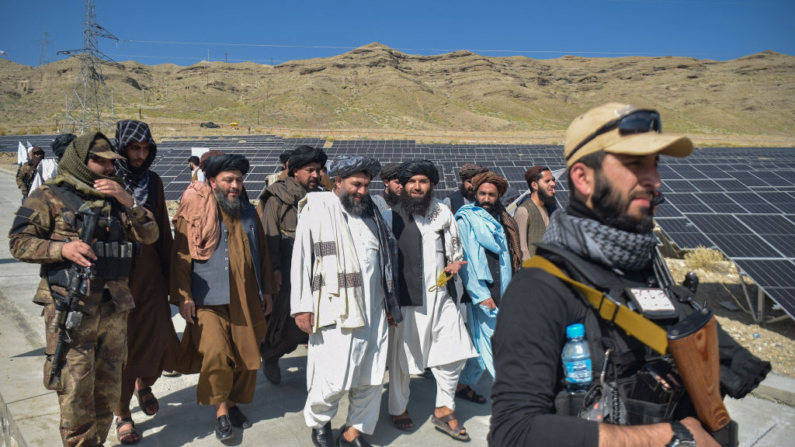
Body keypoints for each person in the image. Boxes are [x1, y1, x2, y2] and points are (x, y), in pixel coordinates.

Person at [489, 103, 771, 447]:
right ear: (582, 178)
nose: (655, 180)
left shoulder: (646, 264)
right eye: (636, 164)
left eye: (655, 165)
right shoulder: (539, 288)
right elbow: (513, 434)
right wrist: (674, 437)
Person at [9, 132, 158, 447]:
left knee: (108, 392)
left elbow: (149, 235)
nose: (106, 168)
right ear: (79, 161)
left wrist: (129, 202)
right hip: (72, 309)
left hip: (114, 310)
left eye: (109, 162)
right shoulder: (49, 195)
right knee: (76, 394)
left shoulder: (116, 199)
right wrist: (62, 250)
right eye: (98, 161)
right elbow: (18, 241)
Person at [291, 155, 403, 447]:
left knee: (372, 374)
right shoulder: (317, 208)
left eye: (366, 185)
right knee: (334, 374)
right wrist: (301, 307)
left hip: (374, 308)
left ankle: (354, 430)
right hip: (335, 307)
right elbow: (301, 258)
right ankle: (320, 422)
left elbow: (386, 261)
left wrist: (391, 305)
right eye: (356, 184)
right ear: (338, 182)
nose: (362, 191)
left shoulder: (374, 211)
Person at [170, 153, 277, 441]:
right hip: (208, 298)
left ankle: (231, 403)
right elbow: (180, 257)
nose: (235, 185)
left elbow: (262, 255)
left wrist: (266, 290)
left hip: (246, 298)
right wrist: (183, 296)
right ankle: (220, 412)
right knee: (216, 353)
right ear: (213, 180)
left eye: (239, 180)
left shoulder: (248, 211)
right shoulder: (195, 208)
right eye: (228, 179)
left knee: (246, 354)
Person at [385, 160, 478, 441]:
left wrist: (454, 264)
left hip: (442, 296)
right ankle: (398, 408)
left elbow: (455, 248)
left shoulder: (443, 212)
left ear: (432, 185)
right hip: (407, 300)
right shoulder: (392, 216)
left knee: (454, 352)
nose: (416, 186)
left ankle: (444, 409)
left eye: (422, 181)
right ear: (403, 186)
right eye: (411, 181)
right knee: (404, 358)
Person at [111, 120, 180, 444]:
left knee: (158, 336)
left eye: (145, 149)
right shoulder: (107, 180)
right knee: (121, 344)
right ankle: (122, 411)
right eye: (133, 148)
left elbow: (163, 229)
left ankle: (144, 382)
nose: (139, 155)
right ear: (121, 148)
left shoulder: (153, 181)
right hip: (118, 276)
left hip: (150, 272)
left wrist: (171, 276)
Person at [256, 145, 327, 384]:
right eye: (310, 170)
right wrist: (274, 269)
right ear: (295, 171)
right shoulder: (278, 197)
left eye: (319, 170)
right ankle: (272, 357)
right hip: (286, 273)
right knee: (285, 325)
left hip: (317, 272)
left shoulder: (324, 197)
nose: (316, 175)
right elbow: (269, 235)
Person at [454, 171, 522, 402]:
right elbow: (467, 263)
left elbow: (509, 258)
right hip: (485, 294)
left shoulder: (504, 219)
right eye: (481, 193)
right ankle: (512, 398)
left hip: (505, 290)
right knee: (496, 346)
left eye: (491, 195)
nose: (485, 199)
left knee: (482, 346)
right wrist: (481, 294)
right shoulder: (465, 219)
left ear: (499, 195)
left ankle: (463, 386)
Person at [515, 165, 557, 260]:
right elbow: (522, 248)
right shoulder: (524, 211)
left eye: (553, 180)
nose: (553, 184)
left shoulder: (551, 209)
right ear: (534, 185)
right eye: (547, 181)